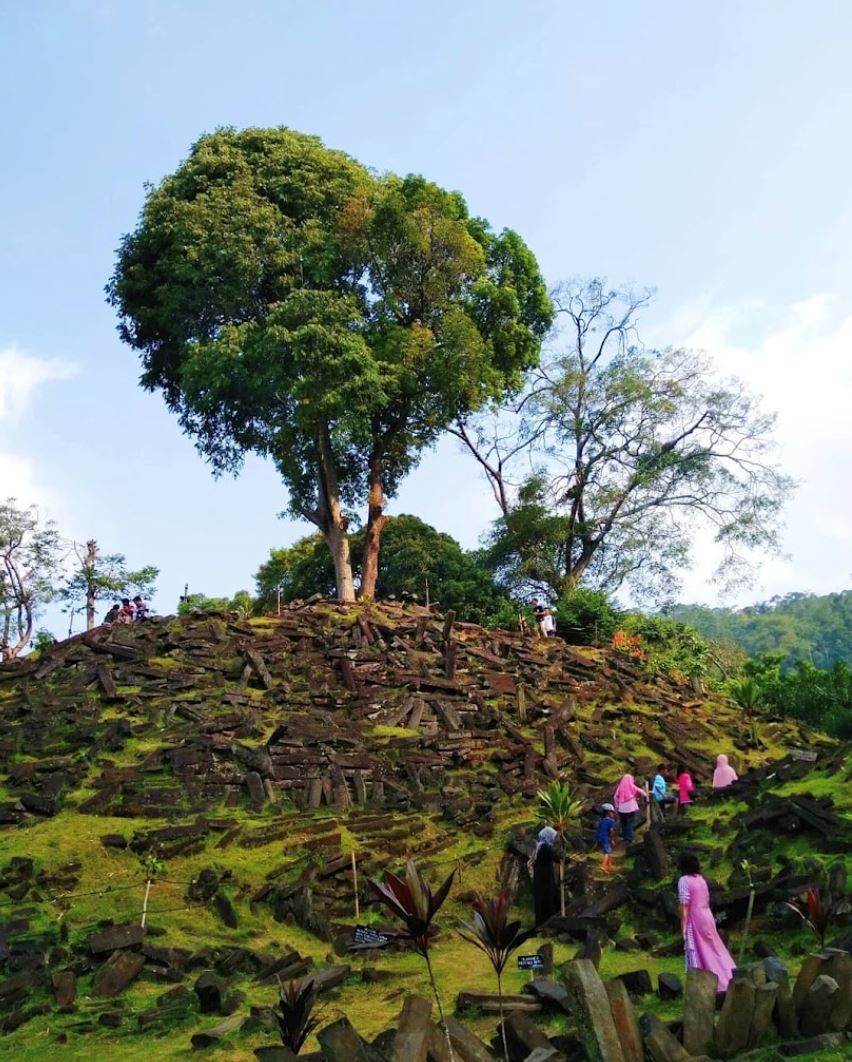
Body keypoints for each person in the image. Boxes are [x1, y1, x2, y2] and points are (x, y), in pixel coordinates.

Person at [677, 850, 736, 991]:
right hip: (707, 917)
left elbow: (684, 905)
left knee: (700, 951)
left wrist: (683, 927)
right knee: (715, 948)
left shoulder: (684, 880)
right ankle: (730, 976)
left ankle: (712, 985)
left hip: (695, 918)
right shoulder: (701, 879)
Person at [531, 825, 560, 925]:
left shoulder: (541, 846)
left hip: (542, 878)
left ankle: (545, 922)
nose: (555, 838)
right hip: (544, 879)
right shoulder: (545, 847)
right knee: (547, 900)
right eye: (554, 836)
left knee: (545, 900)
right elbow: (555, 857)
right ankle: (548, 923)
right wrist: (566, 858)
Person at [613, 773, 646, 844]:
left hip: (621, 809)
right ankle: (629, 839)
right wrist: (646, 794)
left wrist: (617, 806)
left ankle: (625, 838)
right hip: (630, 808)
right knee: (630, 823)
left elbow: (615, 797)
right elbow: (641, 791)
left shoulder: (620, 787)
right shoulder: (631, 785)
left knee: (624, 823)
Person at [596, 803, 617, 873]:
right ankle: (603, 866)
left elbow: (598, 829)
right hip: (605, 838)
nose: (613, 814)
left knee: (609, 851)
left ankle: (609, 866)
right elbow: (611, 831)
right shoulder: (611, 821)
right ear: (608, 813)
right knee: (607, 853)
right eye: (612, 812)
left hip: (600, 838)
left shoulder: (601, 821)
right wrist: (612, 840)